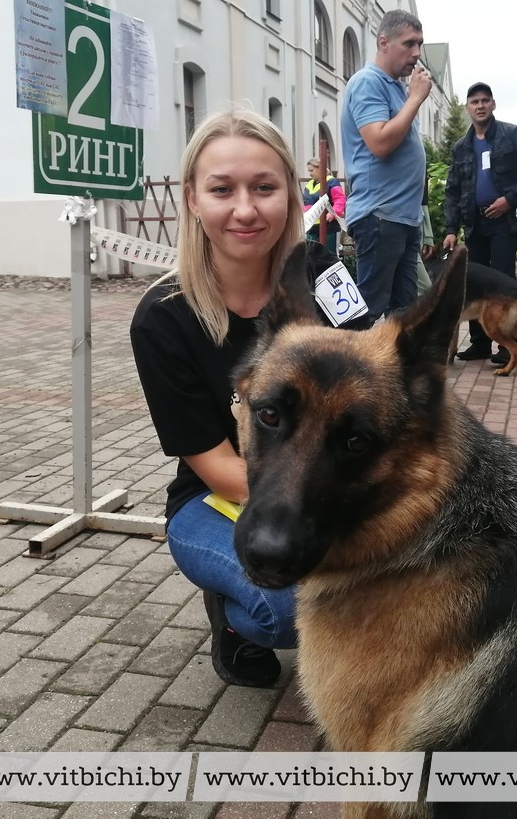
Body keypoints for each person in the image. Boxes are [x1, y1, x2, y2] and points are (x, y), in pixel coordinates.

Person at [130, 110, 359, 688]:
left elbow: (371, 384)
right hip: (214, 497)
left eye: (264, 187)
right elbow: (221, 471)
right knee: (286, 606)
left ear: (290, 191)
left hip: (326, 480)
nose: (246, 209)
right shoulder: (162, 319)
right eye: (222, 189)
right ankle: (233, 621)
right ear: (193, 200)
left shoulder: (325, 272)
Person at [341, 9, 431, 321]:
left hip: (402, 217)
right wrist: (415, 100)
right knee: (367, 312)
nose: (416, 53)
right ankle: (347, 369)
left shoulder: (395, 86)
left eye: (419, 43)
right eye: (409, 43)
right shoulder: (368, 82)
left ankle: (394, 372)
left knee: (403, 314)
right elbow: (379, 143)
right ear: (383, 42)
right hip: (380, 216)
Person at [442, 82, 517, 363]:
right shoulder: (461, 147)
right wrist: (451, 229)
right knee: (472, 284)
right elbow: (452, 189)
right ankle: (479, 344)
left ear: (493, 104)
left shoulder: (512, 135)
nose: (480, 106)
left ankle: (504, 345)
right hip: (475, 223)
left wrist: (509, 199)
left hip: (504, 222)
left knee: (501, 279)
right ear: (468, 108)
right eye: (475, 102)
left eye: (485, 100)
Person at [302, 157, 346, 256]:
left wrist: (333, 213)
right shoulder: (309, 185)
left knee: (330, 255)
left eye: (311, 170)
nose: (310, 173)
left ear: (320, 168)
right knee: (311, 255)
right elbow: (307, 204)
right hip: (312, 226)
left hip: (329, 225)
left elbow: (339, 199)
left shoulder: (331, 182)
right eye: (309, 171)